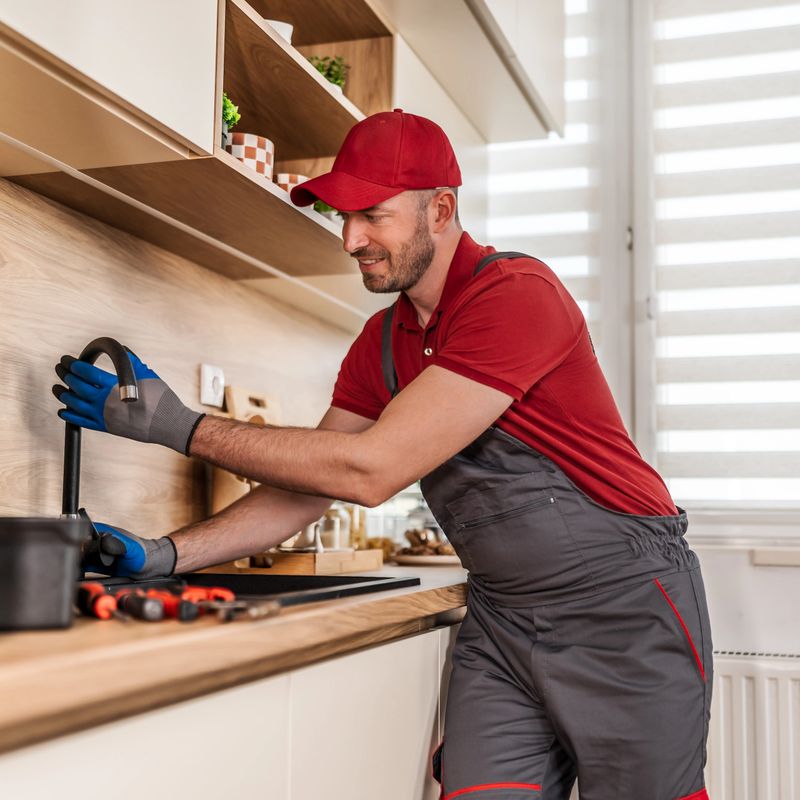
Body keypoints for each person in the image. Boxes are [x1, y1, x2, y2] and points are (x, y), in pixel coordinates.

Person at [53, 109, 712, 799]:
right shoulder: (382, 342)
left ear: (441, 209)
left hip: (622, 611)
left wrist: (180, 426)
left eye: (372, 214)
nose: (350, 238)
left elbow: (370, 470)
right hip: (505, 624)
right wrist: (167, 555)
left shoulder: (517, 297)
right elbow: (309, 489)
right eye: (344, 216)